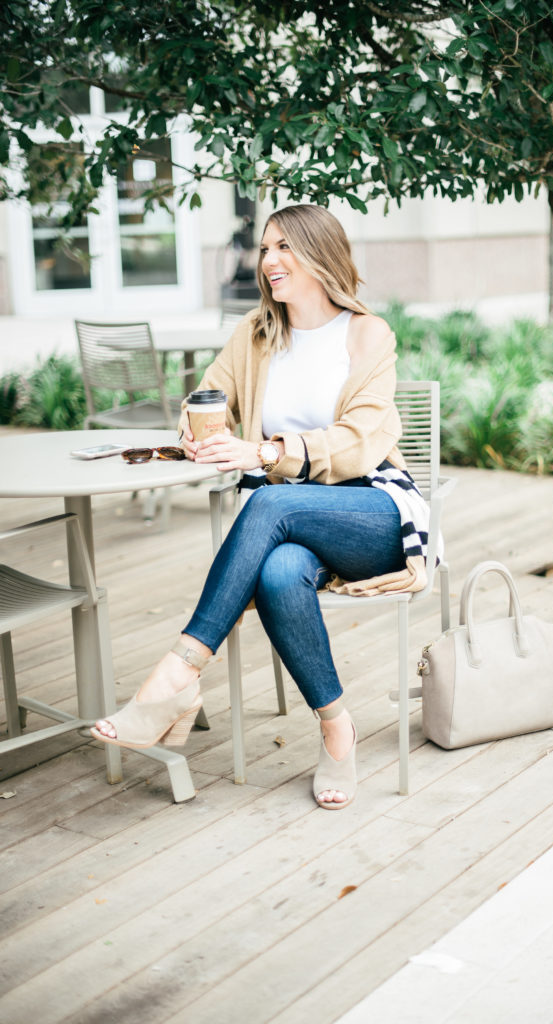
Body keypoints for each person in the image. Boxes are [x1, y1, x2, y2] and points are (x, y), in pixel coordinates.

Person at [91, 203, 433, 810]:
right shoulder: (255, 333)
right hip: (285, 518)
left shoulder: (366, 334)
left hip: (371, 510)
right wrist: (201, 429)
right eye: (266, 249)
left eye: (284, 248)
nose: (269, 261)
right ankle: (336, 729)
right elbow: (205, 397)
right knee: (277, 574)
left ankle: (177, 675)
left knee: (271, 499)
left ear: (320, 255)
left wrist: (266, 450)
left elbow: (361, 442)